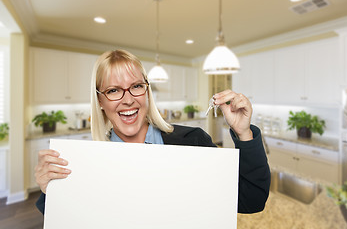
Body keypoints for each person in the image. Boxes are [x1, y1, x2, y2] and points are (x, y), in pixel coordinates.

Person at [35, 49, 271, 214]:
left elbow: (252, 199)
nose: (128, 100)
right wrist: (52, 191)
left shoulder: (193, 142)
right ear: (100, 101)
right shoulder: (85, 164)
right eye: (114, 90)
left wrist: (243, 133)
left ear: (147, 92)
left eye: (136, 86)